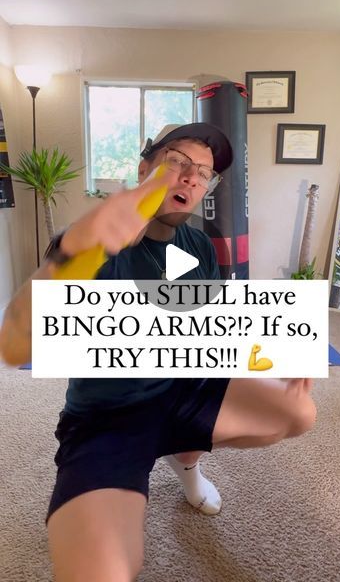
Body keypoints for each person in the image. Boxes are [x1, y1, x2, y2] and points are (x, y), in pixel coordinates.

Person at [0, 122, 316, 582]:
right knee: (99, 573)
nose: (190, 176)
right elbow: (13, 345)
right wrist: (74, 250)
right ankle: (158, 457)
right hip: (107, 417)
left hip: (179, 389)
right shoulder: (93, 240)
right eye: (177, 162)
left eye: (204, 172)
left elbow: (208, 331)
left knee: (298, 413)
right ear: (145, 167)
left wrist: (276, 345)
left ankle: (185, 461)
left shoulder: (199, 246)